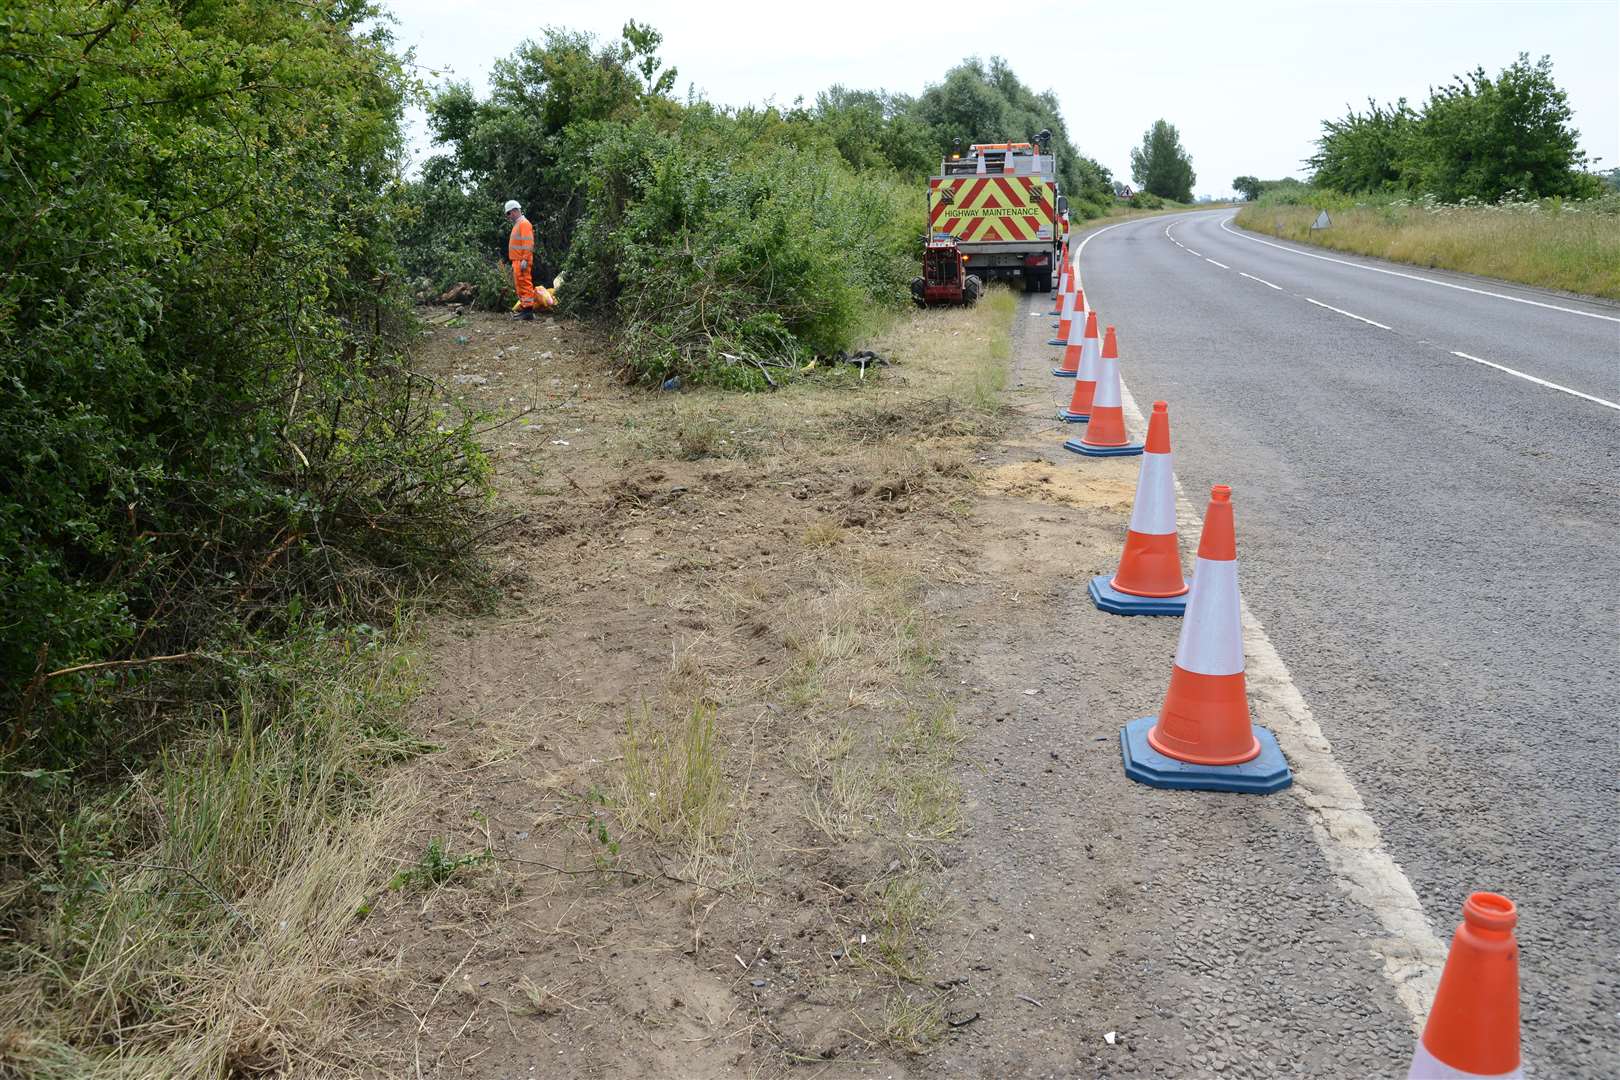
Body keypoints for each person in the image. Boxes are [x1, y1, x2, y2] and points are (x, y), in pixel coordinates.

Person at [504, 199, 535, 320]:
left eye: (509, 213)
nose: (508, 216)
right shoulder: (519, 224)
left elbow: (528, 243)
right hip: (517, 261)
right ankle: (524, 310)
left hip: (522, 261)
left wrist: (525, 259)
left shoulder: (524, 224)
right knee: (520, 286)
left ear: (515, 211)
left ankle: (528, 312)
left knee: (525, 285)